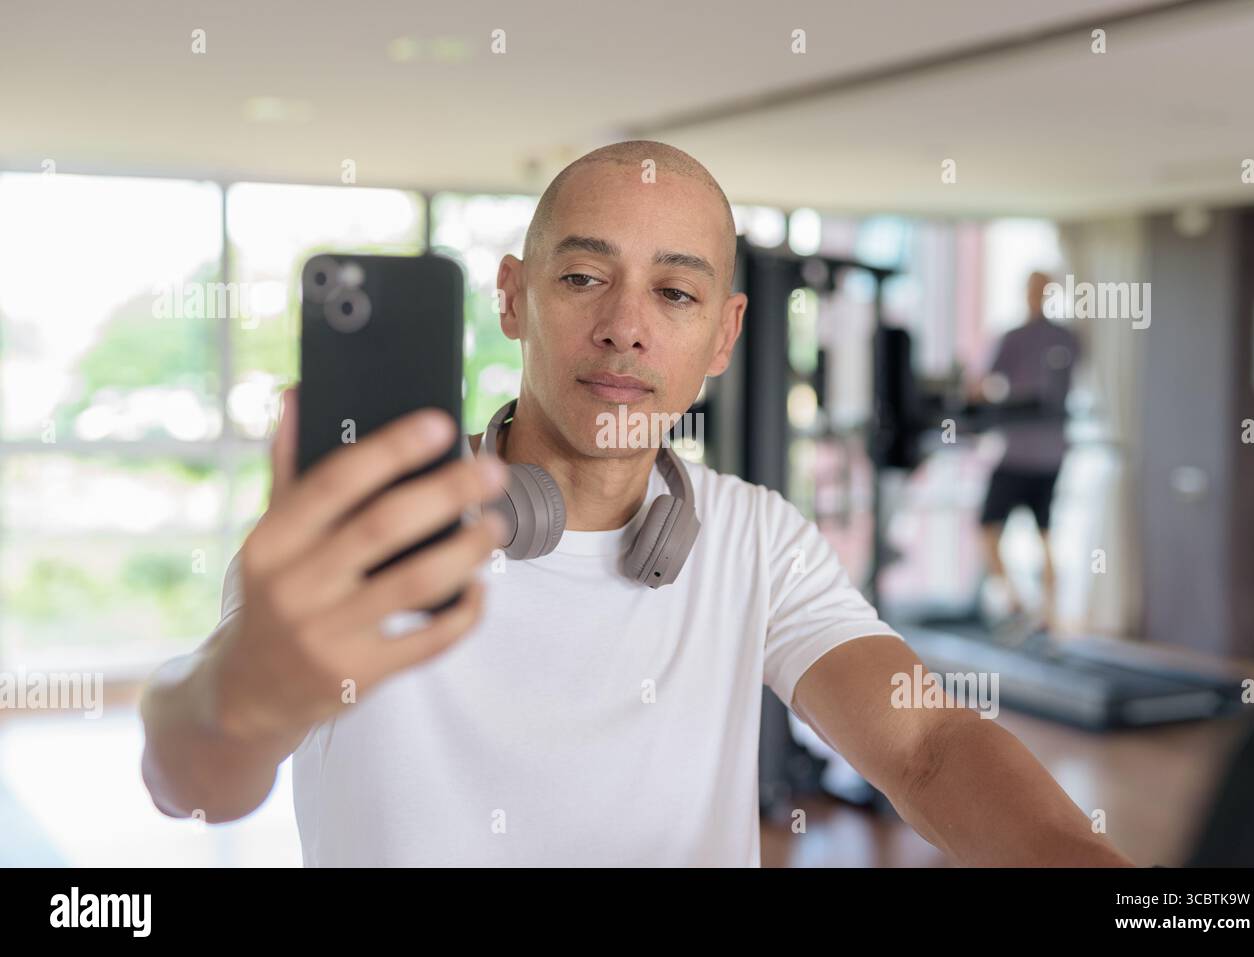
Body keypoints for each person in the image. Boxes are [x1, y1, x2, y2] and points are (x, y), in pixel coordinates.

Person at [139, 142, 1128, 867]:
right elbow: (191, 781)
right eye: (583, 278)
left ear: (726, 333)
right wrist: (243, 701)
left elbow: (925, 747)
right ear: (515, 298)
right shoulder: (362, 537)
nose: (623, 329)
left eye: (675, 295)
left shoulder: (756, 540)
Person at [976, 271, 1080, 636]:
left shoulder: (1058, 338)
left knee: (1039, 533)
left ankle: (1044, 613)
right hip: (1037, 451)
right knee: (1017, 532)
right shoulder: (1045, 338)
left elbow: (984, 385)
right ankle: (1023, 604)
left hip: (1032, 454)